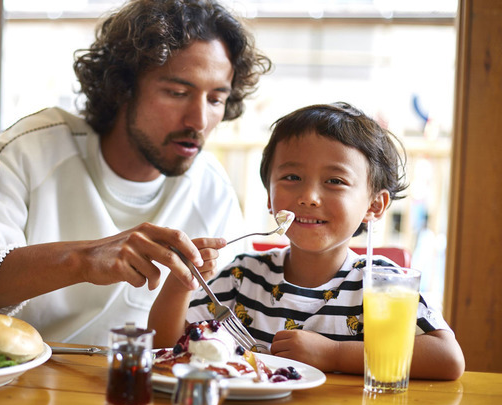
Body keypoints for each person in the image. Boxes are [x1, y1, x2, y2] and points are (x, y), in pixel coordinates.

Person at [0, 0, 272, 346]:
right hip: (0, 382)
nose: (199, 120)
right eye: (178, 92)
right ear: (123, 88)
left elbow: (216, 333)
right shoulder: (36, 148)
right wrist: (83, 260)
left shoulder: (211, 187)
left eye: (215, 99)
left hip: (120, 393)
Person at [148, 102, 465, 380]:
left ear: (374, 205)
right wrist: (180, 283)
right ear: (270, 198)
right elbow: (166, 348)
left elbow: (447, 358)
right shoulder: (242, 278)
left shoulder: (381, 284)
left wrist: (336, 354)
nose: (309, 197)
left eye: (335, 181)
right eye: (292, 178)